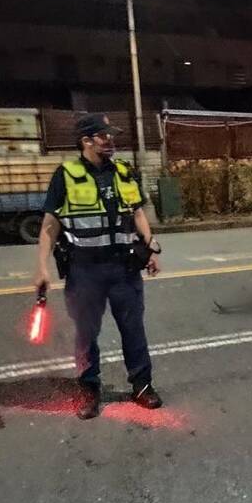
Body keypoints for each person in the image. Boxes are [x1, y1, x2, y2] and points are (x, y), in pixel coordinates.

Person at [33, 113, 162, 419]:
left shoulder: (123, 172)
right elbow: (49, 226)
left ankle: (142, 386)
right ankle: (88, 389)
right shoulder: (65, 175)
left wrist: (150, 248)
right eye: (104, 136)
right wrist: (42, 267)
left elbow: (138, 214)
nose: (110, 141)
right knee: (86, 334)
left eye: (111, 136)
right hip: (85, 272)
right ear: (86, 141)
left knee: (133, 330)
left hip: (124, 270)